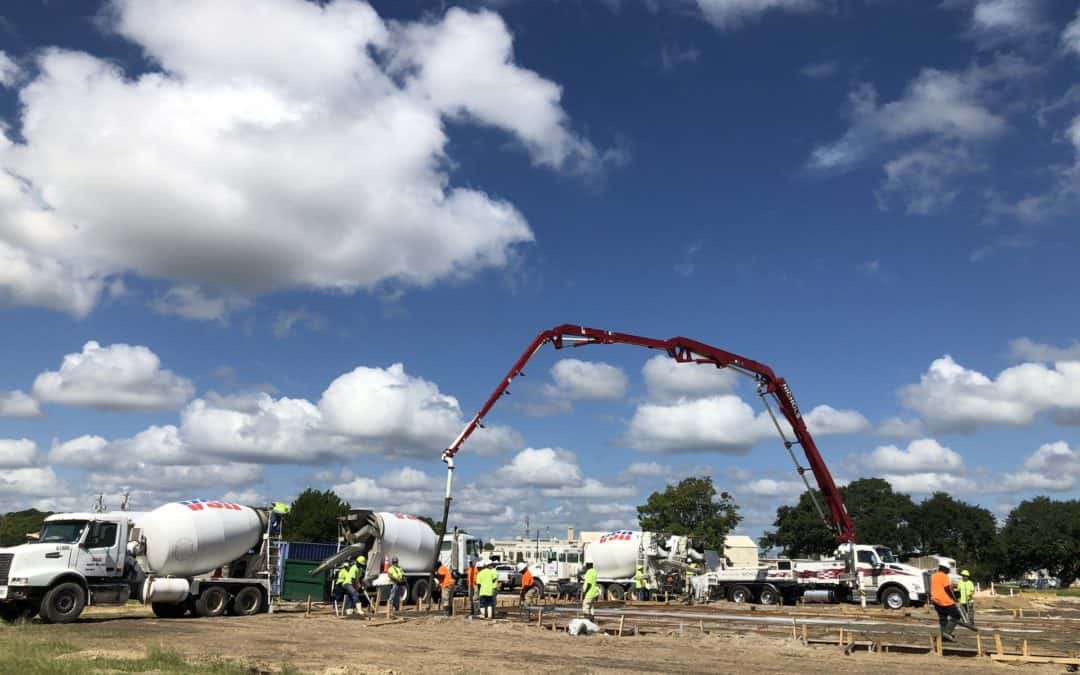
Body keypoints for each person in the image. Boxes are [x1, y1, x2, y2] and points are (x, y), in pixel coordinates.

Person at [931, 564, 962, 641]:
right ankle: (947, 633)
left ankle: (944, 637)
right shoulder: (944, 576)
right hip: (945, 600)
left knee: (943, 618)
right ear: (944, 569)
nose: (949, 571)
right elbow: (947, 589)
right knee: (956, 615)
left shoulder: (934, 576)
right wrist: (954, 598)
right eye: (948, 569)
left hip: (935, 600)